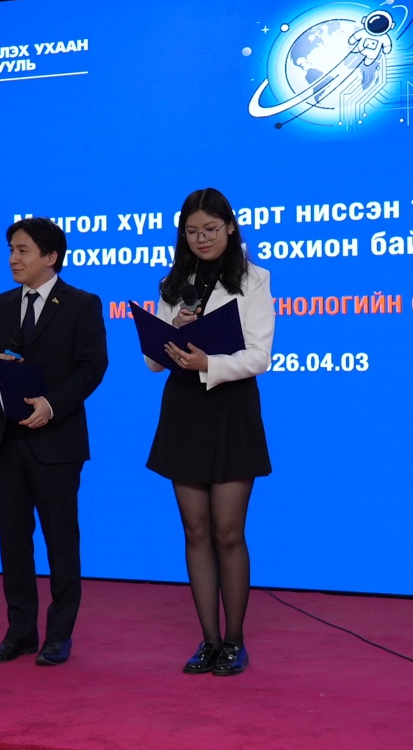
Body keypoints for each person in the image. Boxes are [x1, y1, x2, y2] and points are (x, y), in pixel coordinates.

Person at [144, 188, 274, 677]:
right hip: (184, 408)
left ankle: (235, 641)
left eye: (211, 230)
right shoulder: (173, 283)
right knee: (195, 529)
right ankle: (209, 641)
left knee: (227, 531)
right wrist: (174, 330)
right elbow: (153, 361)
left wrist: (208, 363)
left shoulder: (254, 279)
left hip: (230, 404)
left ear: (231, 227)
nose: (201, 239)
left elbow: (260, 356)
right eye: (192, 232)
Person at [0, 217, 108, 666]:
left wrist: (52, 404)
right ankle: (20, 632)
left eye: (23, 250)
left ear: (51, 257)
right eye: (11, 249)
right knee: (13, 540)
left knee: (60, 540)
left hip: (57, 440)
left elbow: (92, 367)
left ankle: (59, 636)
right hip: (7, 438)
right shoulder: (0, 304)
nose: (13, 258)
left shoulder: (82, 304)